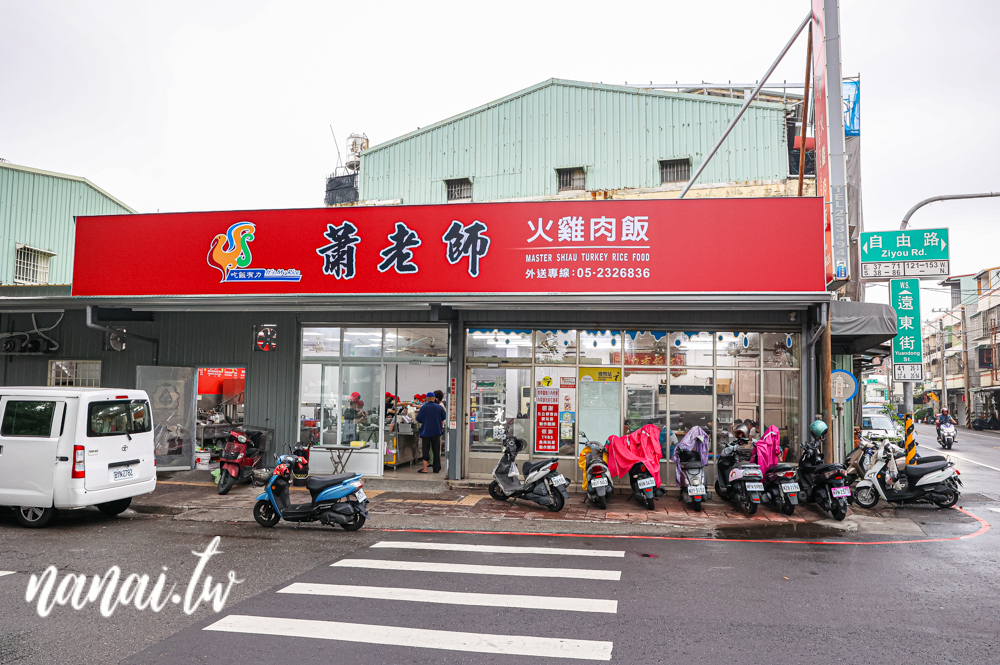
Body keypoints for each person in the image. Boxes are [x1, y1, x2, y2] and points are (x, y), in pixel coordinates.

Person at [416, 390, 446, 473]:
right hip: (436, 432)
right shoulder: (439, 407)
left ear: (426, 399)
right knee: (436, 450)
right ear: (434, 398)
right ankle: (436, 469)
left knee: (426, 450)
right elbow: (444, 417)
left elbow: (419, 419)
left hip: (426, 432)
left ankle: (425, 469)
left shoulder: (423, 407)